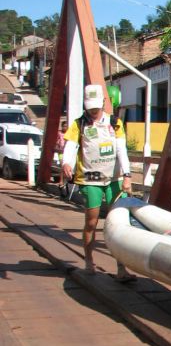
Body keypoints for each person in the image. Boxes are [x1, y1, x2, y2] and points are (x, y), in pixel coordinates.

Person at [61, 83, 135, 280]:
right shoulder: (79, 124)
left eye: (97, 106)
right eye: (90, 107)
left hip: (113, 178)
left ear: (103, 102)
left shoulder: (115, 123)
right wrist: (66, 163)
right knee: (92, 221)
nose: (94, 110)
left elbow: (121, 150)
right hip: (90, 178)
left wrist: (127, 175)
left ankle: (121, 268)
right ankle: (89, 262)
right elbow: (71, 145)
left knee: (118, 223)